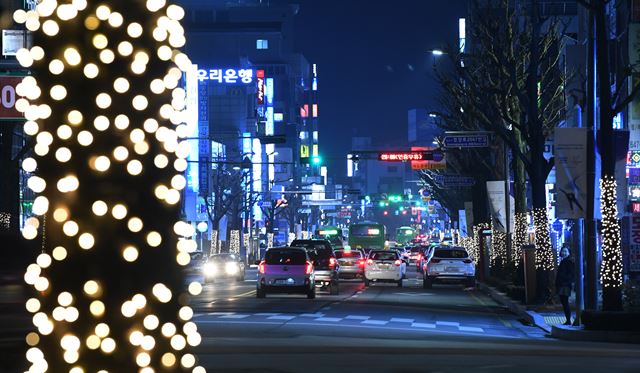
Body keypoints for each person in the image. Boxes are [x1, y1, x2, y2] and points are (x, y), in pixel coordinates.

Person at [555, 246, 575, 325]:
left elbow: (571, 274)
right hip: (563, 284)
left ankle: (568, 320)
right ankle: (568, 320)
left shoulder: (568, 261)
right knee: (564, 302)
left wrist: (564, 281)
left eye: (566, 251)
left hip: (565, 285)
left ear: (569, 253)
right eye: (563, 251)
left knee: (565, 302)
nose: (564, 253)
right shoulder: (564, 261)